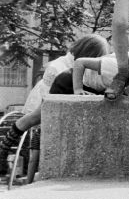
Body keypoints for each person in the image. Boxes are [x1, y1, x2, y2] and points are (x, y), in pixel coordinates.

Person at [0, 34, 108, 177]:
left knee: (40, 123)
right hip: (57, 91)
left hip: (75, 91)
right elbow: (47, 96)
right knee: (37, 119)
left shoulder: (90, 67)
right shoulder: (59, 66)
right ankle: (4, 149)